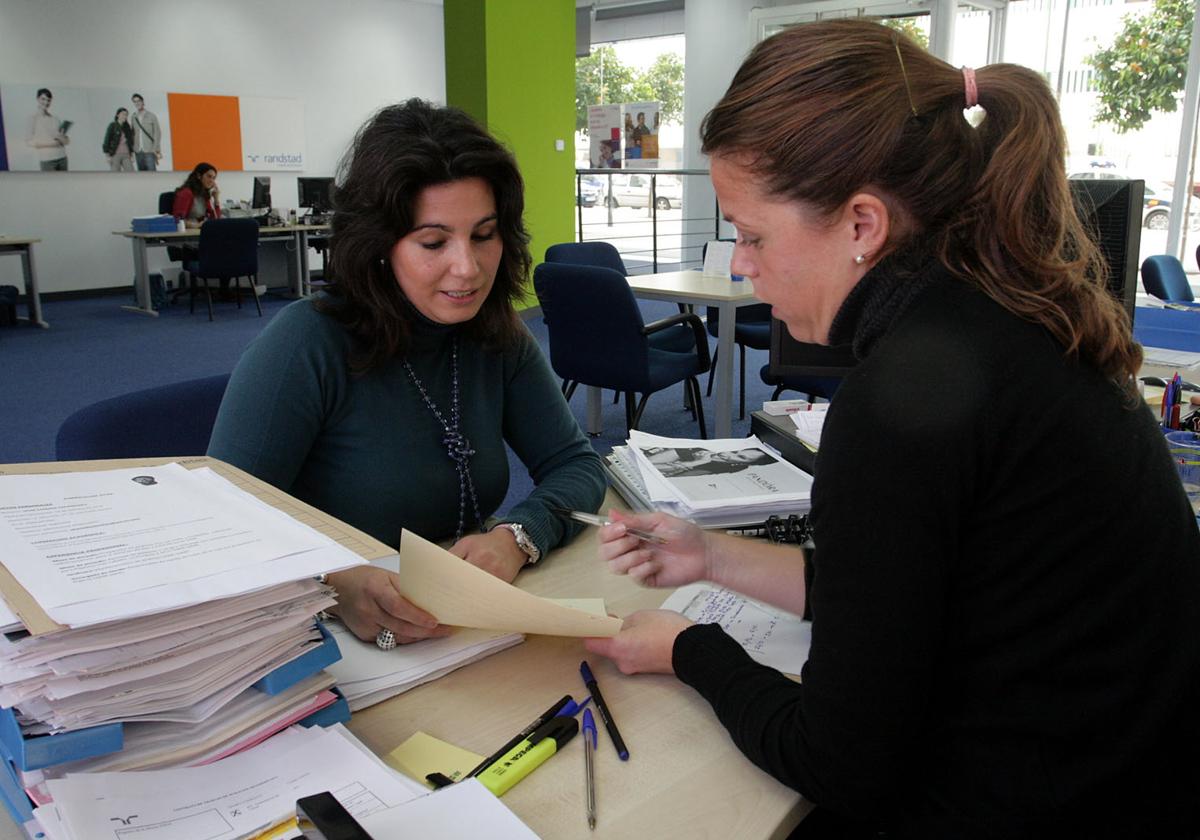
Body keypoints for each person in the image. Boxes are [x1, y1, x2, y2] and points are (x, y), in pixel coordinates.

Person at [585, 19, 1200, 840]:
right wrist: (713, 556)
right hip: (1131, 779)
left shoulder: (905, 402)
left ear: (862, 225)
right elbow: (900, 594)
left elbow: (839, 764)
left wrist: (690, 650)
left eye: (753, 233)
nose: (740, 262)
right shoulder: (1007, 321)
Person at [208, 99, 606, 648]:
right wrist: (333, 581)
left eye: (484, 234)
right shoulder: (308, 342)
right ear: (380, 247)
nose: (467, 268)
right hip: (334, 647)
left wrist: (518, 535)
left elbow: (576, 464)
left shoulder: (494, 334)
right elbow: (224, 525)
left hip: (462, 632)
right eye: (433, 242)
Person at [172, 163, 231, 299]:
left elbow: (214, 219)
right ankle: (224, 290)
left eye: (214, 178)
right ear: (199, 176)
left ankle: (224, 290)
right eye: (209, 177)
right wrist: (196, 225)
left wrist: (216, 200)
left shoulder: (204, 195)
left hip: (202, 238)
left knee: (229, 247)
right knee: (223, 249)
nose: (212, 181)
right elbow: (177, 219)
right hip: (186, 241)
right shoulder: (186, 193)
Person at [24, 88, 69, 171]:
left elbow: (66, 141)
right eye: (43, 99)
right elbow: (28, 142)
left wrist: (63, 138)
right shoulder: (32, 118)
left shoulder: (55, 118)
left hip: (63, 158)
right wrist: (53, 143)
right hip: (47, 160)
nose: (46, 102)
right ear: (37, 99)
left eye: (49, 100)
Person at [130, 93, 162, 171]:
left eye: (139, 101)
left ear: (143, 102)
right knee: (142, 175)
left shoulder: (151, 116)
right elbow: (132, 133)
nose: (137, 103)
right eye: (135, 101)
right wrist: (132, 149)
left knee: (152, 174)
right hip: (138, 150)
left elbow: (157, 133)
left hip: (150, 150)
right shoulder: (133, 117)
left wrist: (155, 148)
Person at [102, 107, 135, 172]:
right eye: (123, 114)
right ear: (117, 115)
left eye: (126, 115)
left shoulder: (127, 127)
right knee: (115, 175)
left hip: (126, 154)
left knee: (131, 173)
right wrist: (107, 155)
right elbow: (106, 140)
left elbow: (130, 142)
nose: (125, 116)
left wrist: (132, 154)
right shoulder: (112, 126)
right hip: (115, 155)